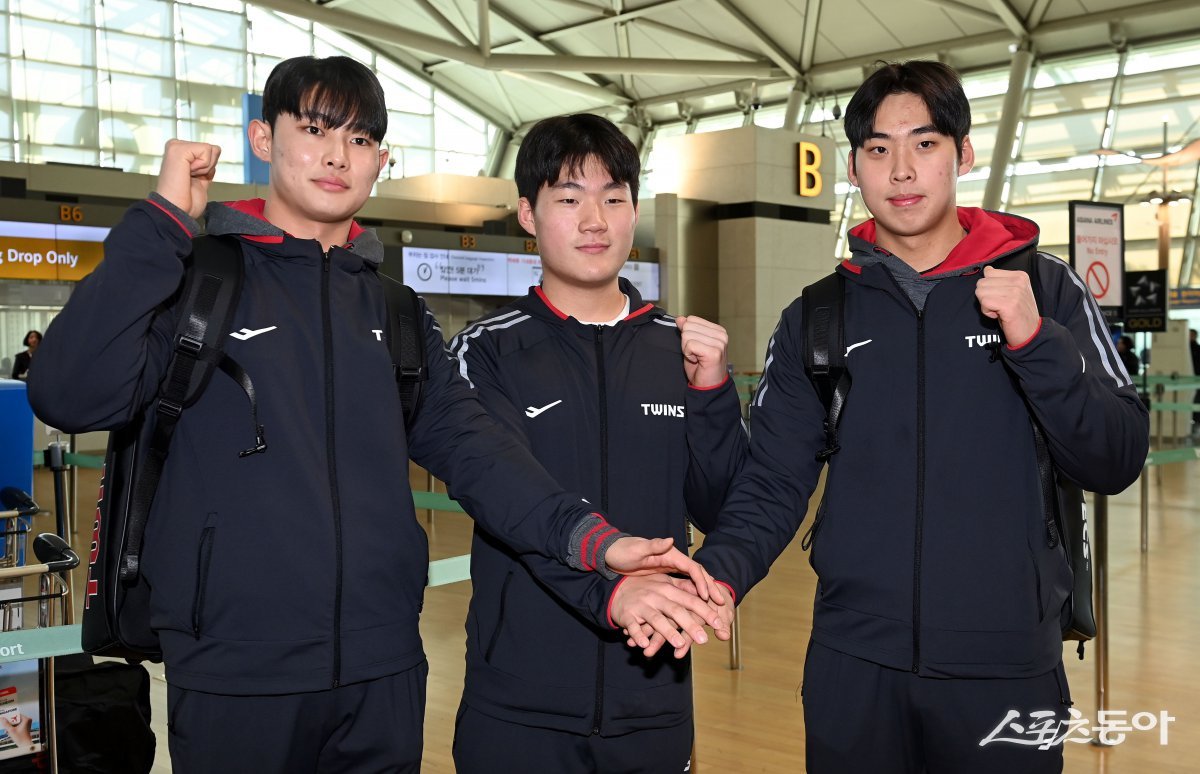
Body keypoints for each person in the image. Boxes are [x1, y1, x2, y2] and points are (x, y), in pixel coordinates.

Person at [27, 56, 724, 774]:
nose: (338, 155)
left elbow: (483, 455)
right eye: (315, 130)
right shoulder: (199, 282)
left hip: (382, 672)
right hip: (236, 670)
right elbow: (67, 394)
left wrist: (594, 541)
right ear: (263, 139)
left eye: (360, 139)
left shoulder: (397, 314)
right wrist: (162, 223)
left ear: (380, 162)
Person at [689, 60, 1149, 773]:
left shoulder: (1045, 289)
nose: (901, 170)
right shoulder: (819, 317)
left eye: (924, 144)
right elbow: (773, 481)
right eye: (879, 149)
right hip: (854, 663)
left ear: (963, 155)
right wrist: (716, 575)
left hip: (1006, 663)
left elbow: (1115, 457)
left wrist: (1035, 343)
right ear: (854, 168)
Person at [448, 114, 745, 773]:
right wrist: (610, 585)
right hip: (519, 705)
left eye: (613, 199)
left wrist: (711, 394)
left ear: (635, 211)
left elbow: (723, 508)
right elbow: (509, 504)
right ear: (527, 214)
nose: (594, 221)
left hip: (653, 693)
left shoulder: (677, 350)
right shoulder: (486, 352)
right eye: (568, 198)